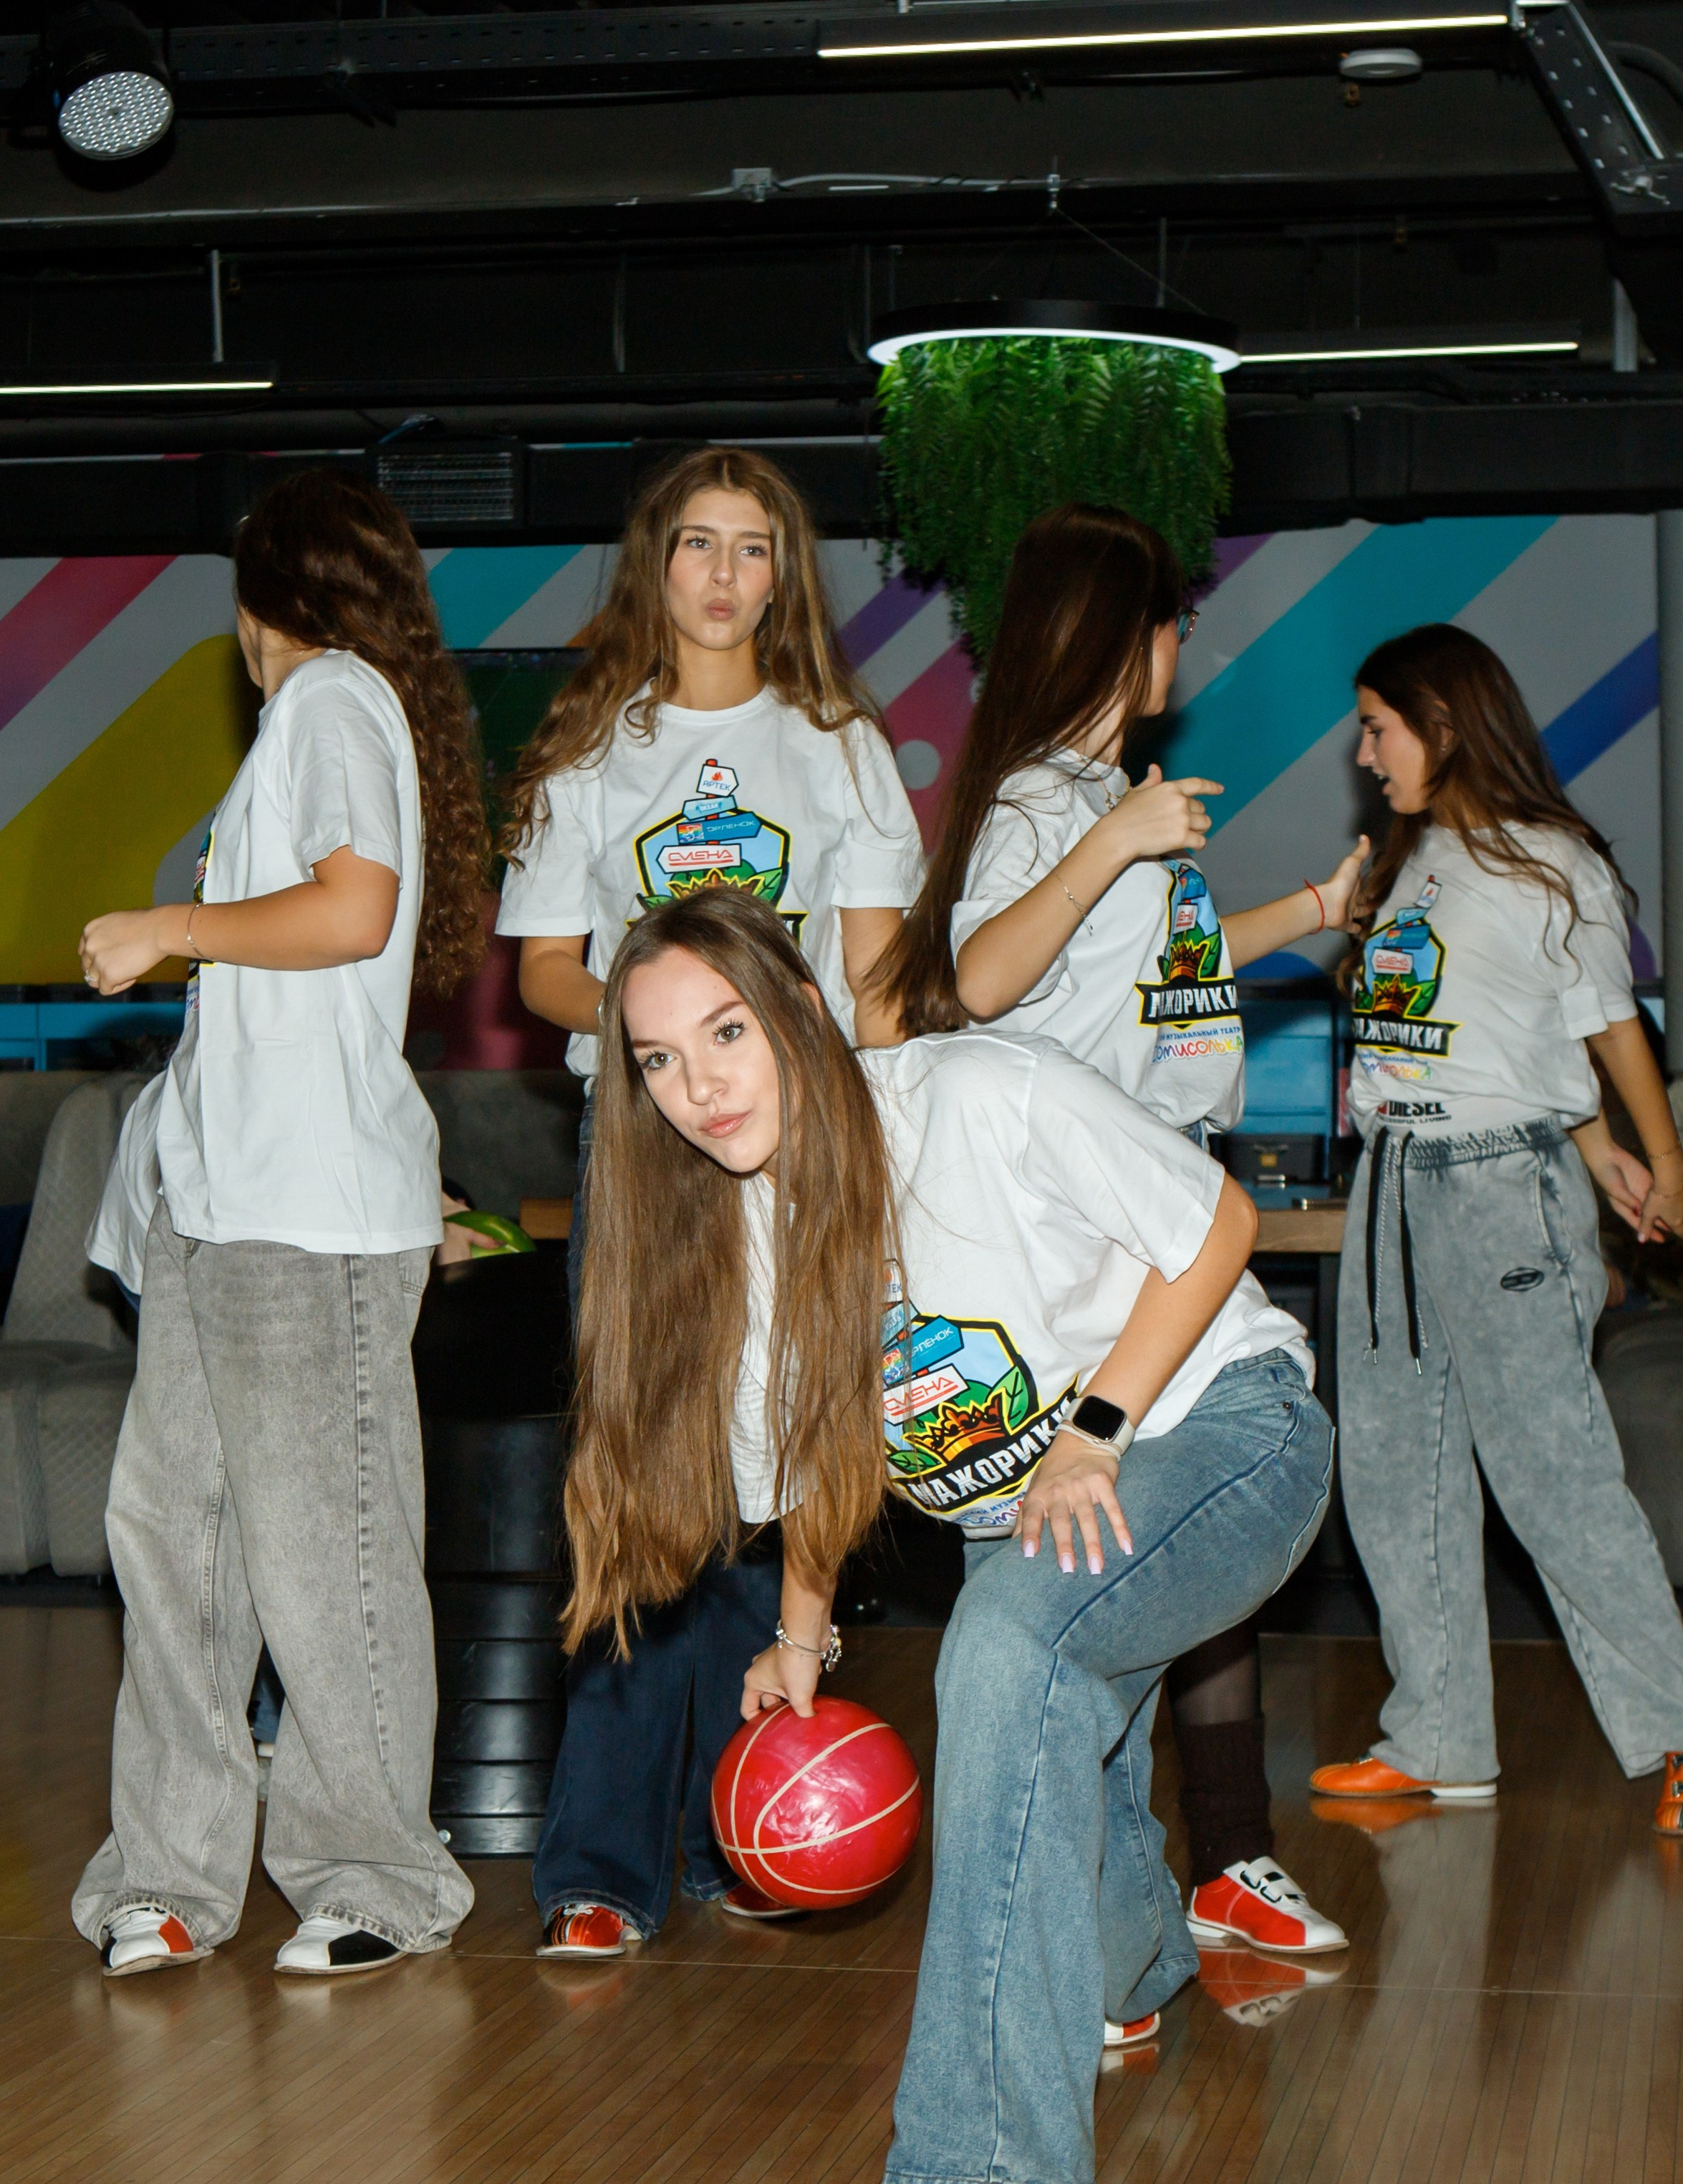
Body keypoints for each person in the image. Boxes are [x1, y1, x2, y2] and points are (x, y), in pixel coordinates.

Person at [572, 884, 1334, 2184]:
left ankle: (995, 2163)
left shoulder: (978, 1094)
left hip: (1222, 1429)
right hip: (1025, 1517)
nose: (700, 1087)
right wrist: (803, 1638)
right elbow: (814, 1457)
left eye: (728, 1032)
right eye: (661, 1063)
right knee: (1039, 1723)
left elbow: (1218, 1222)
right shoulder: (746, 1229)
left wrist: (1095, 1434)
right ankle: (1138, 1964)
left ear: (805, 1011)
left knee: (1004, 1651)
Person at [873, 501, 1366, 1966]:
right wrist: (1112, 841)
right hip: (1074, 1255)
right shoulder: (1044, 808)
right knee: (1048, 1650)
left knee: (1093, 1641)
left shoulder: (1097, 807)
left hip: (1140, 1232)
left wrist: (1312, 906)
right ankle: (1129, 1935)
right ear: (1127, 636)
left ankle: (1154, 1928)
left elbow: (1162, 979)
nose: (1180, 651)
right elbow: (969, 976)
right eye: (1169, 625)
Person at [496, 446, 924, 1963]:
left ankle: (743, 1827)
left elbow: (869, 981)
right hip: (645, 1152)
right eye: (697, 543)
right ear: (654, 565)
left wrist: (882, 1143)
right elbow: (543, 966)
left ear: (785, 574)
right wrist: (657, 1016)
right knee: (639, 1492)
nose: (725, 573)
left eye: (754, 548)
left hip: (797, 1156)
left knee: (777, 1484)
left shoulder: (841, 747)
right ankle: (600, 1869)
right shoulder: (588, 750)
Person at [69, 468, 486, 1978]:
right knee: (173, 1541)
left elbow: (350, 912)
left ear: (263, 606)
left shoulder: (328, 702)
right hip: (228, 1208)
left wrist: (167, 926)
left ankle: (374, 1877)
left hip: (301, 1222)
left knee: (326, 1555)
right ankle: (171, 1873)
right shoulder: (343, 717)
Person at [1308, 622, 1683, 1834]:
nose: (1363, 748)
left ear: (1442, 726)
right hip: (1393, 1183)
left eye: (1378, 725)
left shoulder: (1554, 862)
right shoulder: (1410, 862)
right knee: (1393, 1478)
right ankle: (1437, 1734)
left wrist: (1650, 1156)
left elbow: (1606, 1029)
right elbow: (1493, 1031)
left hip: (1501, 1190)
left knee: (1555, 1480)